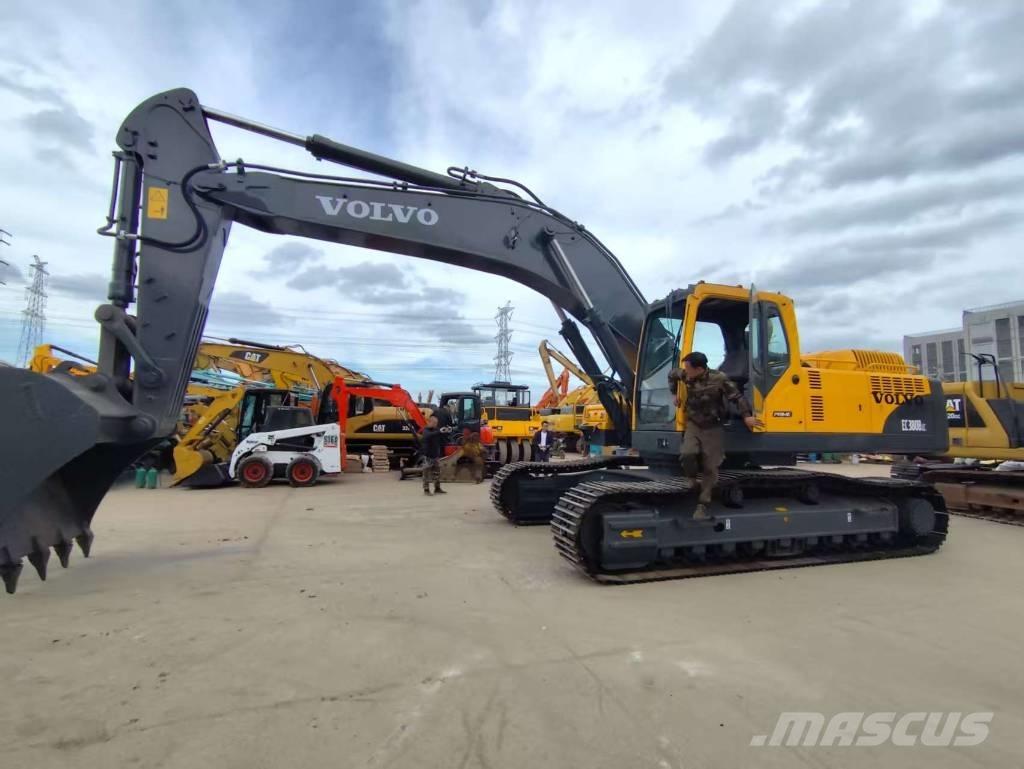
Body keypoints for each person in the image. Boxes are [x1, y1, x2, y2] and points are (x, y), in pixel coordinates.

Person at [668, 351, 762, 520]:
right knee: (687, 453)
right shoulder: (685, 375)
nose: (685, 371)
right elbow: (672, 374)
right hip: (694, 424)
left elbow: (737, 397)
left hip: (713, 426)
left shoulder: (719, 379)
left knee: (710, 467)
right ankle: (691, 479)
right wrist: (674, 393)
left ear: (699, 368)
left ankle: (703, 504)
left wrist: (747, 416)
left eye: (688, 368)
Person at [419, 415, 446, 495]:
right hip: (428, 456)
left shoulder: (436, 430)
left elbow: (439, 436)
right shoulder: (426, 430)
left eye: (436, 423)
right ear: (429, 422)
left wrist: (445, 431)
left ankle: (437, 488)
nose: (435, 425)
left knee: (437, 473)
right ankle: (426, 490)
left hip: (435, 456)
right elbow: (428, 436)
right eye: (434, 423)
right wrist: (439, 432)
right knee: (426, 474)